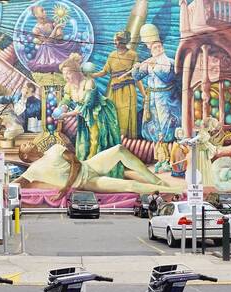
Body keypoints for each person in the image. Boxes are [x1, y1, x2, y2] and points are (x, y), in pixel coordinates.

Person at [16, 143, 180, 199]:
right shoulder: (32, 170)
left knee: (119, 149)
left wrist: (65, 188)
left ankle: (158, 182)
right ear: (24, 155)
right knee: (130, 185)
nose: (29, 143)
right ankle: (172, 190)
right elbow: (15, 184)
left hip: (90, 166)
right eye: (25, 145)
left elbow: (77, 163)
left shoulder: (54, 148)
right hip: (87, 182)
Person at [57, 53, 124, 179]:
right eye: (64, 74)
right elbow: (66, 100)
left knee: (97, 140)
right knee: (84, 143)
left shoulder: (89, 83)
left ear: (76, 71)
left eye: (68, 73)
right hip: (85, 118)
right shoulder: (69, 86)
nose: (66, 77)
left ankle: (96, 169)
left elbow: (87, 104)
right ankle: (86, 168)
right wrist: (62, 108)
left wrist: (67, 114)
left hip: (99, 115)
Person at [132, 24, 182, 173]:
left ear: (162, 47)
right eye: (154, 48)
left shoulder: (169, 62)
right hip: (152, 99)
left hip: (166, 99)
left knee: (166, 128)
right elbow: (137, 77)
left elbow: (168, 78)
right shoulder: (149, 61)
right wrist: (137, 67)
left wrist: (154, 66)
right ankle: (160, 159)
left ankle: (168, 159)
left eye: (159, 47)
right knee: (155, 129)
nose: (157, 50)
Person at [93, 31, 143, 138]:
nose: (114, 42)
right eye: (114, 40)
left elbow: (136, 76)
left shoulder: (133, 55)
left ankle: (125, 141)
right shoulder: (112, 55)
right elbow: (104, 71)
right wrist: (91, 75)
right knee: (113, 113)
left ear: (123, 41)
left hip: (128, 90)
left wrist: (144, 94)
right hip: (114, 90)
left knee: (126, 114)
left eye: (117, 40)